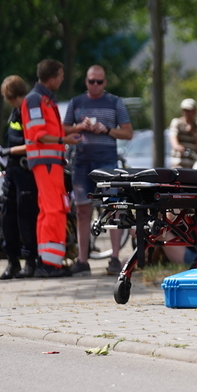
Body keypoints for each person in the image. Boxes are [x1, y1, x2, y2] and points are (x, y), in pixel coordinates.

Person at [63, 65, 133, 276]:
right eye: (91, 81)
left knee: (112, 209)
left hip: (107, 163)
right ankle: (82, 260)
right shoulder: (76, 102)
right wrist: (79, 127)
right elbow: (63, 128)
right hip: (82, 163)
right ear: (86, 81)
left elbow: (128, 132)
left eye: (99, 82)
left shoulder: (115, 102)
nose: (95, 85)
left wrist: (107, 130)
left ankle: (114, 258)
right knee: (83, 211)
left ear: (105, 83)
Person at [22, 59, 84, 277]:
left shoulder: (43, 99)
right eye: (60, 75)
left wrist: (71, 133)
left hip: (50, 163)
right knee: (54, 210)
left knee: (50, 210)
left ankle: (48, 261)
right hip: (46, 163)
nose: (63, 78)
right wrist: (66, 138)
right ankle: (49, 264)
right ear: (51, 78)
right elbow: (39, 135)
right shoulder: (35, 101)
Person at [0, 76, 39, 279]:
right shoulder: (15, 112)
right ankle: (12, 261)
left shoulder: (28, 111)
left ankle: (31, 261)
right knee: (7, 217)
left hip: (25, 171)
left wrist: (10, 151)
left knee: (26, 217)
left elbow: (34, 143)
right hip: (12, 171)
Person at [168, 98, 197, 168]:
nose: (186, 113)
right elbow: (173, 138)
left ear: (194, 111)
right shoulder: (177, 123)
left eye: (189, 111)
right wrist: (178, 147)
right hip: (179, 164)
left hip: (194, 165)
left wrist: (194, 132)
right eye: (184, 110)